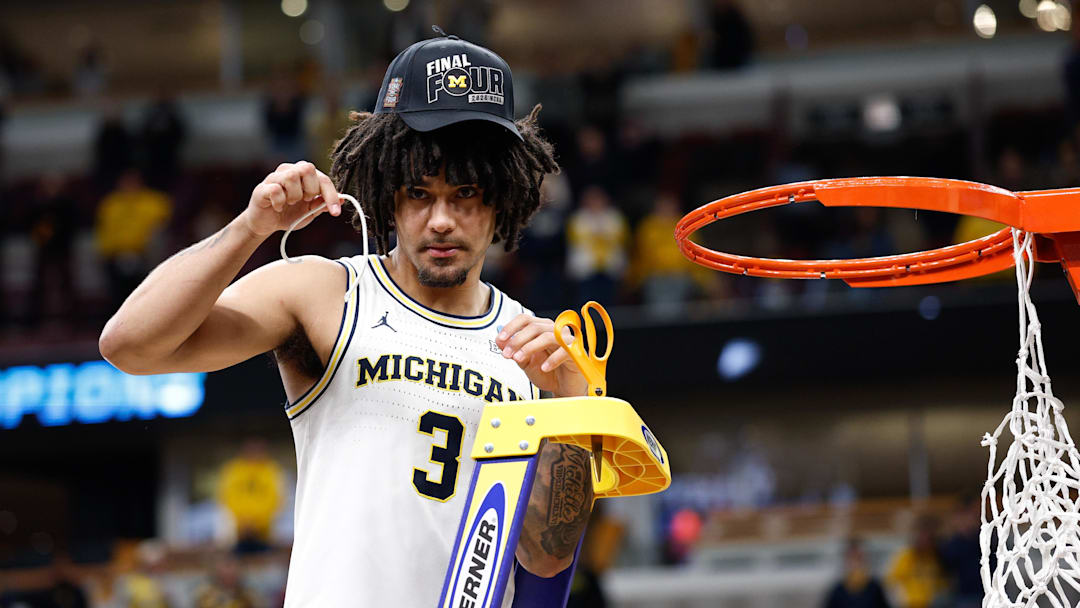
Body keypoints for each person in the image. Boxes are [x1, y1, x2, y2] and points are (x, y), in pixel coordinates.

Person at [100, 31, 592, 606]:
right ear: (387, 194)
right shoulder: (325, 291)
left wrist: (572, 414)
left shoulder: (534, 346)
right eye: (418, 192)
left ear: (500, 200)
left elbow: (546, 559)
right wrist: (250, 228)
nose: (440, 220)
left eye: (465, 194)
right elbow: (130, 346)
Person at [823, 538, 891, 608]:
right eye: (851, 558)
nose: (855, 563)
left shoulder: (874, 588)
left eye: (859, 558)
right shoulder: (838, 590)